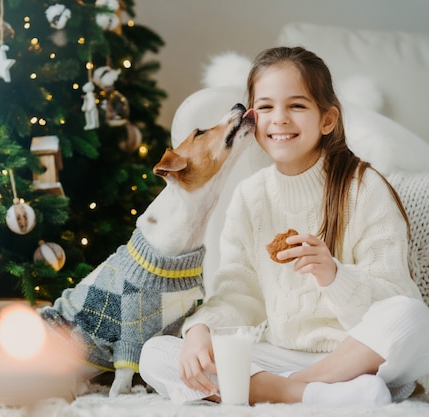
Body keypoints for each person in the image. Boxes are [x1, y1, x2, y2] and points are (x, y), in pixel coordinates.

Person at [138, 46, 429, 407]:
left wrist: (333, 276)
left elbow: (394, 298)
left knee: (413, 317)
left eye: (297, 105)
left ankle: (289, 389)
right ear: (252, 117)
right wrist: (201, 331)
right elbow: (237, 293)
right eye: (265, 106)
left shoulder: (365, 188)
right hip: (281, 354)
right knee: (156, 352)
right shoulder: (250, 196)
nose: (279, 119)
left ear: (327, 119)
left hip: (358, 357)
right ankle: (314, 395)